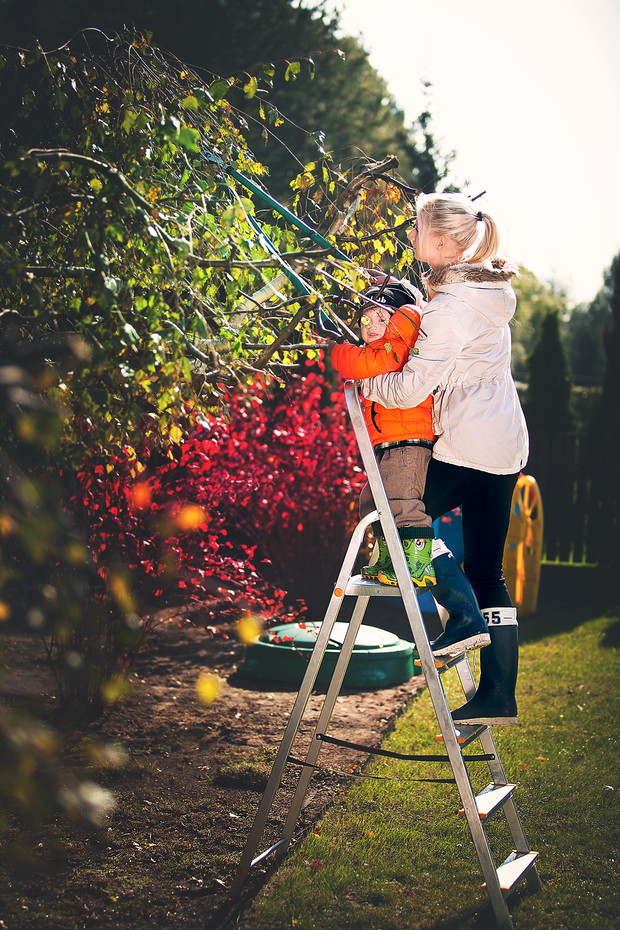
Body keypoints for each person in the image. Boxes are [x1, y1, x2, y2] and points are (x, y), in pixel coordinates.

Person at [362, 192, 528, 726]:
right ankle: (498, 693)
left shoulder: (452, 308)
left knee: (391, 513)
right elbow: (438, 326)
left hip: (471, 443)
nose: (410, 236)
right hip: (503, 441)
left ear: (438, 240)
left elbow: (412, 385)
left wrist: (367, 381)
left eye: (415, 229)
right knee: (486, 568)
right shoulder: (482, 291)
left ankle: (461, 617)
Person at [329, 283, 491, 658]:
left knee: (404, 509)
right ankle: (393, 561)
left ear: (397, 316)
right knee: (371, 504)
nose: (372, 326)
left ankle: (462, 612)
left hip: (407, 442)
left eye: (380, 317)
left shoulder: (402, 334)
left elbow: (363, 362)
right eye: (365, 320)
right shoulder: (385, 342)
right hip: (390, 443)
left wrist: (337, 350)